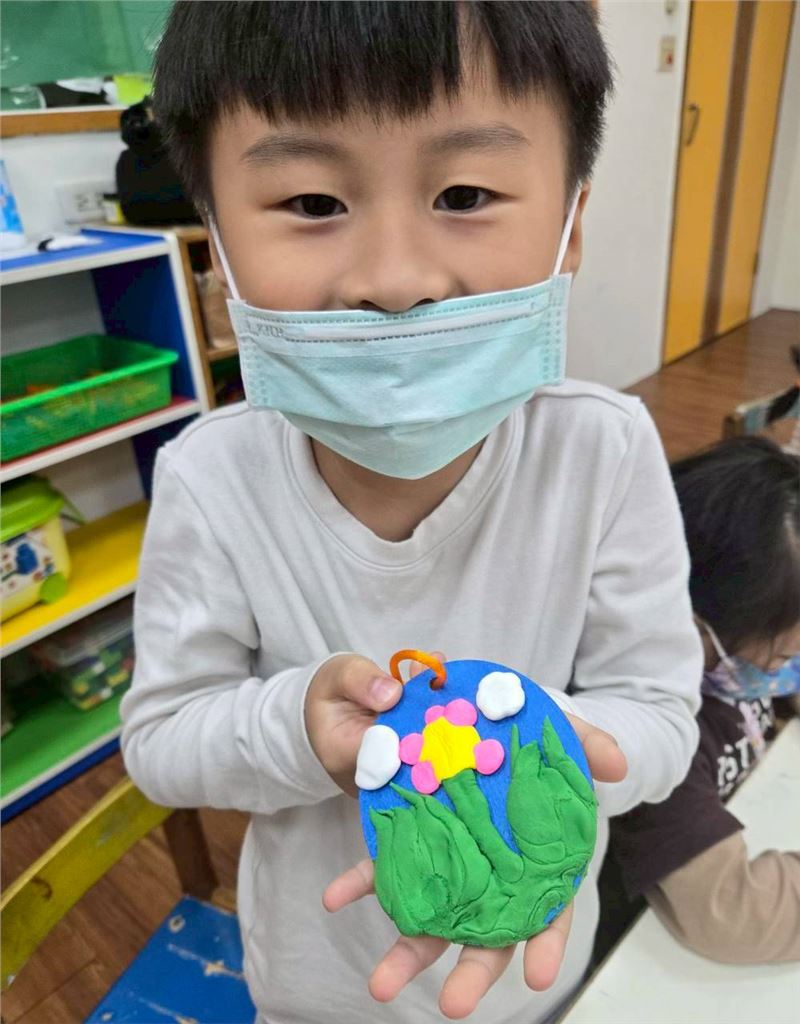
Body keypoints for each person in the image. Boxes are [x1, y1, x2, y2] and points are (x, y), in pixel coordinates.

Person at [120, 4, 703, 1022]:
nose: (394, 281)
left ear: (570, 224)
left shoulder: (603, 451)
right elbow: (164, 738)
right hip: (315, 980)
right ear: (216, 247)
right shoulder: (211, 478)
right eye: (311, 201)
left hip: (533, 964)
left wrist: (523, 747)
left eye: (464, 193)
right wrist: (299, 728)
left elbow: (657, 714)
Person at [606, 437, 800, 963]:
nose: (785, 672)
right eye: (783, 657)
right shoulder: (658, 741)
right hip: (632, 956)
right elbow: (734, 915)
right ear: (693, 631)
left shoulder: (739, 649)